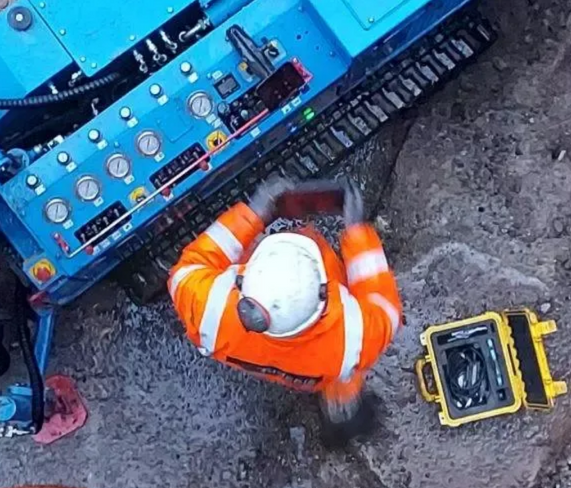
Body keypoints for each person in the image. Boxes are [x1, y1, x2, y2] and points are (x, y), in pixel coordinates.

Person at [168, 178, 403, 429]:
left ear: (244, 280)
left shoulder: (209, 310)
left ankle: (337, 400)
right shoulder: (356, 339)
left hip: (248, 354)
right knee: (344, 370)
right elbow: (383, 305)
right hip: (323, 366)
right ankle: (340, 403)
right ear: (324, 292)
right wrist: (357, 233)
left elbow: (187, 269)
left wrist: (252, 215)